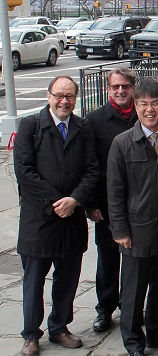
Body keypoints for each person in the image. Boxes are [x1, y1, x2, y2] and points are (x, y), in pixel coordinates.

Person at [14, 75, 99, 356]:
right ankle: (30, 335)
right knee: (34, 280)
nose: (64, 101)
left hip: (72, 218)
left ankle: (60, 327)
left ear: (76, 99)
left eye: (70, 96)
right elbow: (25, 172)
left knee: (68, 278)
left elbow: (91, 170)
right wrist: (55, 202)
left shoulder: (82, 127)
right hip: (39, 219)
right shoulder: (30, 126)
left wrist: (75, 200)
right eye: (59, 95)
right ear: (49, 96)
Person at [107, 78, 158, 356]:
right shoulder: (122, 143)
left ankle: (156, 332)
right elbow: (115, 190)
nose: (149, 109)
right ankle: (133, 342)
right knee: (133, 291)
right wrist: (119, 229)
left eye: (155, 103)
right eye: (143, 104)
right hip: (136, 229)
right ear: (135, 106)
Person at [85, 67, 138, 334]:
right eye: (115, 87)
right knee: (107, 260)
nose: (120, 91)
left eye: (125, 86)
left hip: (139, 203)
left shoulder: (144, 114)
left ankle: (131, 307)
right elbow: (89, 165)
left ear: (133, 88)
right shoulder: (94, 121)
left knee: (135, 261)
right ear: (108, 89)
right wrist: (91, 203)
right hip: (106, 205)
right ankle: (105, 309)